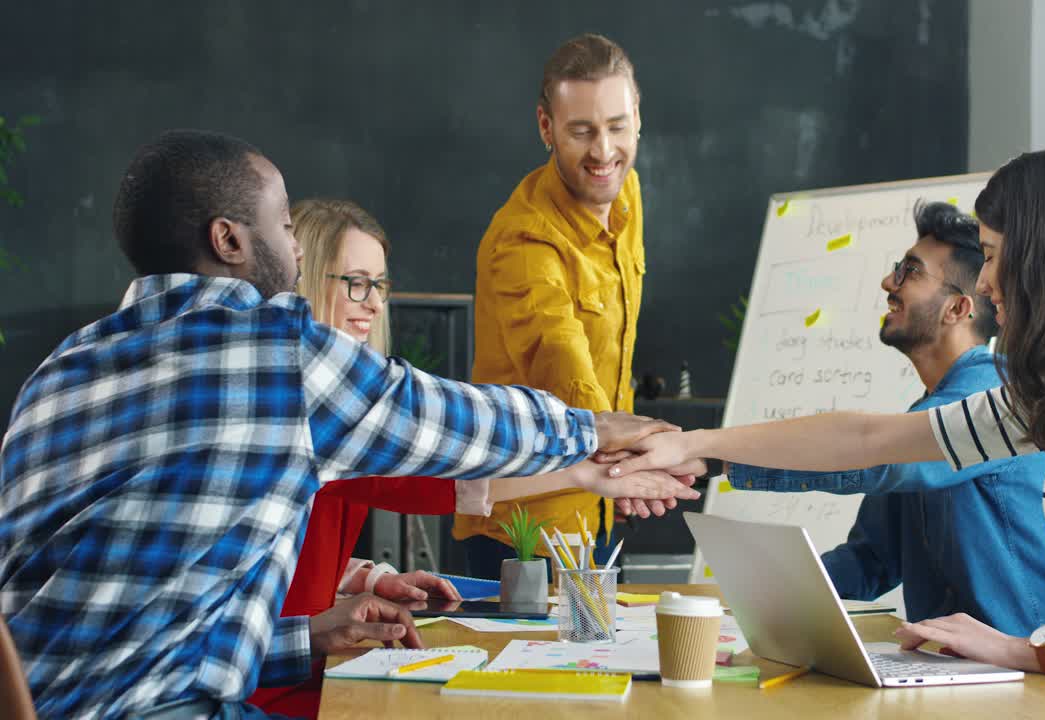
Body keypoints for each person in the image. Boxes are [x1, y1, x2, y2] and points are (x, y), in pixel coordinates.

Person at [0, 129, 694, 720]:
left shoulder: (59, 373)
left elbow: (143, 644)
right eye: (282, 228)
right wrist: (602, 429)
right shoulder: (275, 352)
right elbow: (454, 420)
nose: (295, 252)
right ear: (229, 240)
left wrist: (310, 637)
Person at [609, 149, 1045, 719]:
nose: (984, 283)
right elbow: (866, 441)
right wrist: (695, 445)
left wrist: (1021, 652)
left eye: (991, 257)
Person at [248, 198, 699, 718]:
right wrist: (588, 458)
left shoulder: (315, 396)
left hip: (297, 663)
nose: (371, 302)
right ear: (302, 280)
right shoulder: (312, 401)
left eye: (378, 285)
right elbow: (434, 478)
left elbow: (284, 536)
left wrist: (361, 576)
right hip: (274, 683)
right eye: (353, 281)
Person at [725, 201, 1045, 635]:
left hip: (1020, 673)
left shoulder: (993, 398)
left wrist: (716, 457)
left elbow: (875, 460)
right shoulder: (928, 417)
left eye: (910, 271)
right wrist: (757, 599)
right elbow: (873, 559)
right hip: (949, 668)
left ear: (956, 309)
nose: (888, 282)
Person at [457, 33, 648, 577]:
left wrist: (622, 468)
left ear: (638, 117)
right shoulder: (522, 241)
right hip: (524, 532)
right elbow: (569, 378)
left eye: (617, 126)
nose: (604, 152)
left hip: (602, 505)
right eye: (582, 131)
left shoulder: (626, 194)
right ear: (546, 127)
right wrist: (651, 451)